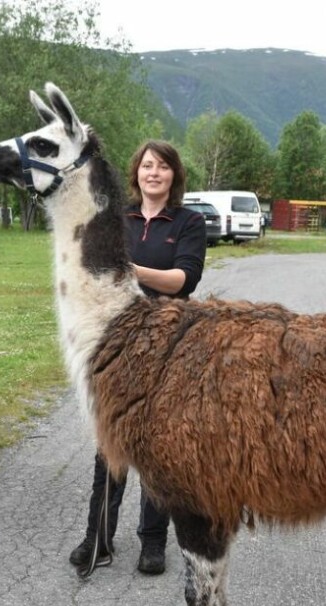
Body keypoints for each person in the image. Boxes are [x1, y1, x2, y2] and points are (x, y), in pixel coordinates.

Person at [69, 140, 207, 576]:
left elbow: (184, 279)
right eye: (147, 165)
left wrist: (130, 270)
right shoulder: (117, 219)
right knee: (109, 444)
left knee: (156, 449)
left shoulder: (188, 222)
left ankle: (153, 541)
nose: (154, 173)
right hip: (116, 344)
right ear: (137, 173)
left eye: (162, 167)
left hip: (167, 347)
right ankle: (98, 536)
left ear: (174, 175)